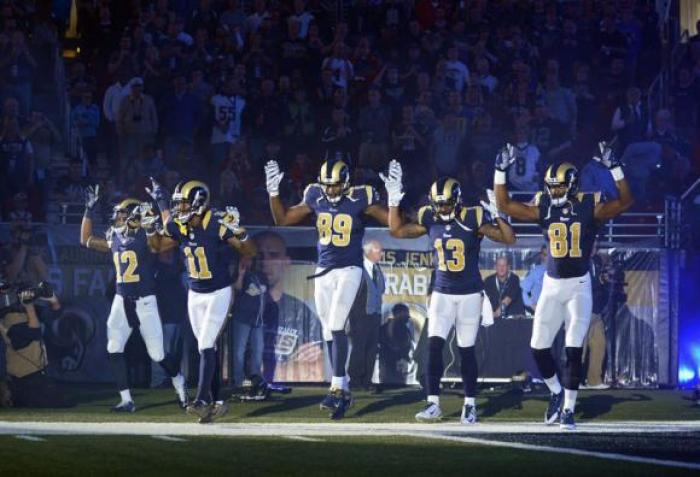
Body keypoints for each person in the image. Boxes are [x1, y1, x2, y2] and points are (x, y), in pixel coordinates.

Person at [493, 141, 633, 430]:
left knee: (572, 348)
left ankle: (568, 409)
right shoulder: (543, 204)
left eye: (558, 187)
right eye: (551, 186)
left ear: (571, 185)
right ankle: (556, 392)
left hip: (579, 286)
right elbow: (504, 204)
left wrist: (616, 169)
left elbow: (625, 202)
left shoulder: (588, 204)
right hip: (552, 285)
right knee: (538, 348)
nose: (553, 192)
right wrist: (499, 172)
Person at [383, 162, 514, 424]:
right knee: (433, 348)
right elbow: (396, 230)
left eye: (445, 204)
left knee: (466, 350)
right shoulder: (429, 217)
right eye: (438, 204)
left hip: (469, 294)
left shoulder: (472, 217)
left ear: (456, 200)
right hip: (442, 292)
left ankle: (469, 404)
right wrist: (393, 201)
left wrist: (499, 214)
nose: (441, 209)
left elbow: (509, 239)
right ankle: (433, 403)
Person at [264, 156, 388, 419]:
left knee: (335, 325)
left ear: (345, 183)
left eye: (335, 186)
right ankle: (342, 389)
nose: (330, 191)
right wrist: (273, 192)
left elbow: (392, 222)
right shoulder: (313, 194)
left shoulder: (360, 197)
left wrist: (395, 199)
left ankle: (335, 388)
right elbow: (282, 219)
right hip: (323, 270)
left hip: (349, 269)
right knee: (328, 330)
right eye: (327, 185)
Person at [148, 178, 256, 423]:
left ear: (199, 203)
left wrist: (242, 232)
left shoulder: (216, 224)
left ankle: (201, 400)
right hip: (195, 294)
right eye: (178, 205)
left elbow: (250, 251)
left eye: (184, 205)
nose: (180, 209)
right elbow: (157, 246)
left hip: (218, 292)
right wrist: (149, 227)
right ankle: (217, 403)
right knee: (206, 348)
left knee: (206, 345)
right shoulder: (180, 224)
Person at [80, 187, 188, 413]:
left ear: (132, 216)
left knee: (157, 354)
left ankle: (178, 380)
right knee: (114, 347)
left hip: (145, 301)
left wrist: (161, 203)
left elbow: (171, 237)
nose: (116, 217)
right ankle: (126, 400)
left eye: (121, 214)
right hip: (122, 300)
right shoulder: (115, 236)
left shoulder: (147, 236)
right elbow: (86, 239)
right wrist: (88, 210)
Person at [254, 231, 322, 383]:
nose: (265, 262)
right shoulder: (240, 309)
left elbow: (316, 371)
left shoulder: (304, 313)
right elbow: (228, 366)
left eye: (273, 255)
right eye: (259, 256)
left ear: (286, 262)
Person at [348, 239, 385, 392]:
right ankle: (355, 380)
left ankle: (367, 381)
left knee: (371, 349)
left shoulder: (377, 269)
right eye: (379, 251)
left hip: (374, 315)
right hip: (360, 314)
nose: (382, 254)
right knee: (359, 347)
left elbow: (379, 290)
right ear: (370, 252)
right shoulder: (358, 268)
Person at [230, 256, 267, 396]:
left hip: (258, 320)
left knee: (258, 349)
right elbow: (237, 289)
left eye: (249, 259)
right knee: (239, 351)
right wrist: (240, 274)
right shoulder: (239, 275)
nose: (247, 262)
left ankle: (256, 378)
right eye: (244, 259)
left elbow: (264, 293)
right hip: (242, 319)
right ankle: (239, 381)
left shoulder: (260, 275)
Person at [521, 245, 547, 314]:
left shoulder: (561, 272)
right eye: (544, 255)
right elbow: (524, 290)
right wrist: (533, 305)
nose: (547, 257)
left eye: (549, 255)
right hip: (540, 312)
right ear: (541, 256)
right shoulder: (536, 271)